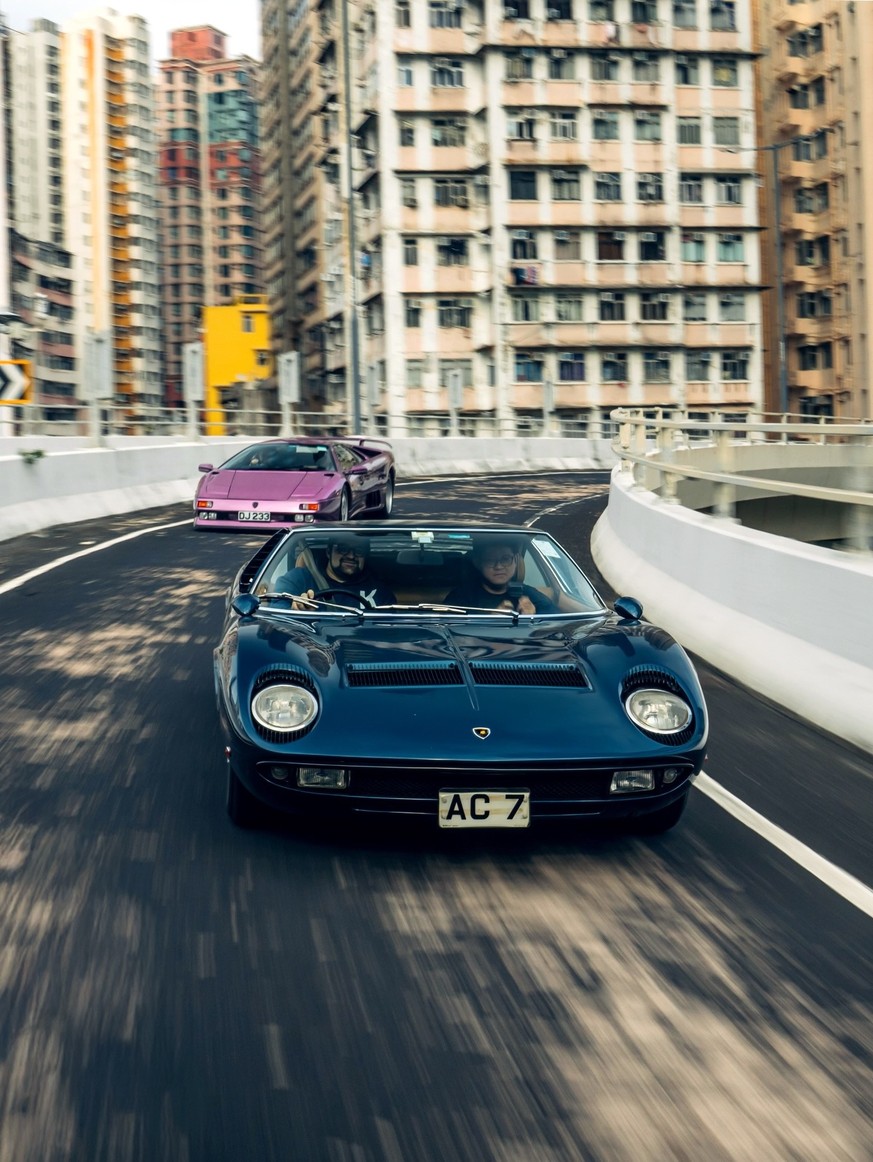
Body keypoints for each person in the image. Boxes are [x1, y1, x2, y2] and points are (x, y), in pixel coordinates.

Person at [275, 533, 395, 609]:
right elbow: (274, 612)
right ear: (328, 552)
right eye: (343, 549)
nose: (351, 556)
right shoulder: (299, 579)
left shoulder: (380, 592)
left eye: (359, 550)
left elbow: (391, 630)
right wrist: (294, 608)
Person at [444, 538, 558, 614]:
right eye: (490, 560)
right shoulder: (461, 597)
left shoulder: (529, 596)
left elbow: (558, 628)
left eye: (505, 559)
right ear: (478, 563)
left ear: (516, 561)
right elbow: (446, 630)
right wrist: (490, 621)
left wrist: (533, 619)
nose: (498, 566)